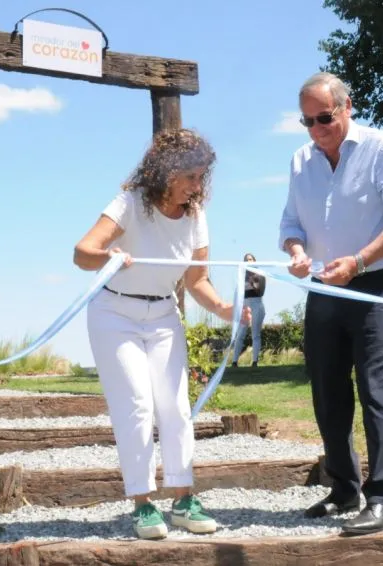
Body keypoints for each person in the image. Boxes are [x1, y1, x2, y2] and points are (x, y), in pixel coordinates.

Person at [73, 128, 250, 540]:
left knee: (174, 405)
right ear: (166, 171)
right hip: (114, 312)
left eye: (201, 176)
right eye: (190, 176)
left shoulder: (196, 216)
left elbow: (197, 280)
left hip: (163, 315)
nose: (197, 186)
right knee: (136, 404)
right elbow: (82, 253)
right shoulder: (131, 204)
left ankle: (184, 500)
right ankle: (142, 503)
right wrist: (108, 255)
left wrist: (224, 308)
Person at [278, 71, 383, 536]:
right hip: (324, 290)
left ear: (347, 107)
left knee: (378, 394)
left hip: (378, 286)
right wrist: (297, 252)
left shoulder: (381, 147)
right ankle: (344, 488)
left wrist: (357, 262)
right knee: (327, 395)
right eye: (307, 122)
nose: (316, 130)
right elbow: (290, 225)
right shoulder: (301, 160)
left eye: (324, 118)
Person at [232, 253, 267, 367]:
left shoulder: (260, 274)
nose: (248, 261)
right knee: (240, 333)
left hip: (257, 304)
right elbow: (239, 293)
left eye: (250, 259)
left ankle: (255, 361)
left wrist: (251, 279)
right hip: (245, 305)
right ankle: (234, 361)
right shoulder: (241, 277)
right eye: (246, 260)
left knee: (255, 334)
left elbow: (259, 291)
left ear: (255, 261)